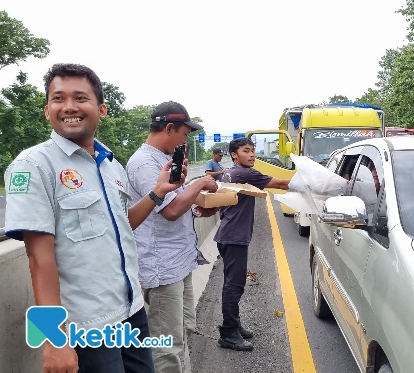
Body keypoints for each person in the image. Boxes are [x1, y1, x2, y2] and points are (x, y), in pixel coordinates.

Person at [3, 63, 188, 373]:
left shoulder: (110, 165)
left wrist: (157, 192)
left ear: (101, 109)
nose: (70, 107)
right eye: (59, 98)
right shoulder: (34, 165)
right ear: (48, 109)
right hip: (86, 327)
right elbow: (38, 259)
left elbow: (120, 226)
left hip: (130, 311)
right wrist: (54, 340)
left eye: (81, 98)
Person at [126, 101, 218, 373]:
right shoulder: (144, 163)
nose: (185, 140)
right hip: (162, 268)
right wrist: (200, 183)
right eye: (184, 133)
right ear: (169, 128)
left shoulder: (163, 161)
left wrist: (193, 197)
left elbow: (177, 201)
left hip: (179, 262)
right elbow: (171, 211)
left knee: (182, 333)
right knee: (166, 345)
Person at [213, 138, 290, 351]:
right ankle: (228, 333)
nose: (252, 155)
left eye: (253, 151)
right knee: (234, 286)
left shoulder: (230, 171)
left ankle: (234, 325)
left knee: (233, 284)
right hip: (234, 237)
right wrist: (319, 184)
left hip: (229, 234)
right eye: (246, 151)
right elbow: (282, 184)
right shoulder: (244, 173)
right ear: (235, 155)